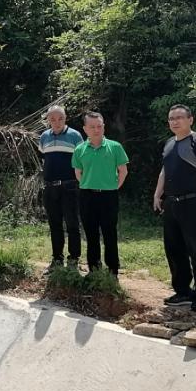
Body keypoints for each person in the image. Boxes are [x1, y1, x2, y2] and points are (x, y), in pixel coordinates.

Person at [152, 104, 196, 312]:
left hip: (194, 203)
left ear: (190, 119)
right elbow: (164, 171)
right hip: (172, 204)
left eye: (179, 118)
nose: (175, 121)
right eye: (171, 118)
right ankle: (182, 291)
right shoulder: (168, 144)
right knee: (174, 250)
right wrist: (158, 194)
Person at [71, 112, 128, 277]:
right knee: (91, 234)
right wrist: (88, 185)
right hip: (87, 196)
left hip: (109, 196)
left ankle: (112, 270)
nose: (96, 130)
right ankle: (94, 269)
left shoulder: (115, 147)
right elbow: (78, 172)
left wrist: (113, 186)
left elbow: (123, 171)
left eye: (99, 126)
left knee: (110, 232)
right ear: (85, 129)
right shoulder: (80, 149)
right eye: (92, 127)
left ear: (103, 127)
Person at [38, 104, 83, 270]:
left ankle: (73, 261)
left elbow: (82, 161)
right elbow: (45, 158)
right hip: (50, 188)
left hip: (70, 187)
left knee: (72, 224)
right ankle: (57, 260)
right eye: (53, 119)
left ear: (65, 118)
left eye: (60, 118)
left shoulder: (75, 136)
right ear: (48, 120)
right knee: (54, 224)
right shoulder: (43, 137)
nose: (56, 122)